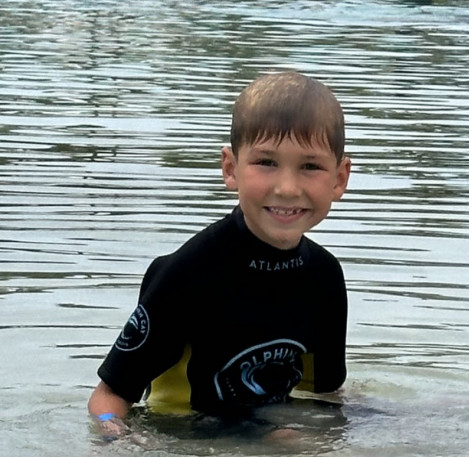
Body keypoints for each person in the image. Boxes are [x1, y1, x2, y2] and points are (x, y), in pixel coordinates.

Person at [88, 71, 352, 437]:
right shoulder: (189, 273)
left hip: (268, 431)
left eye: (310, 166)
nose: (288, 188)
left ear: (339, 178)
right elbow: (108, 397)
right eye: (266, 162)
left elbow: (324, 397)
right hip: (182, 438)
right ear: (231, 169)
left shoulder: (324, 277)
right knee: (289, 439)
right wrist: (117, 441)